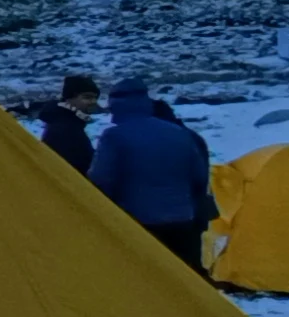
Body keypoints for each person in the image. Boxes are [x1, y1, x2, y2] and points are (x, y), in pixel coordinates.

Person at [87, 80, 213, 267]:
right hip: (182, 218)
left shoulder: (114, 136)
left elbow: (100, 180)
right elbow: (200, 176)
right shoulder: (179, 132)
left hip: (137, 220)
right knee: (185, 277)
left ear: (114, 105)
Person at [33, 74, 101, 175]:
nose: (93, 102)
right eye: (87, 97)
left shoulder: (66, 121)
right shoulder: (65, 128)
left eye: (95, 98)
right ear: (69, 98)